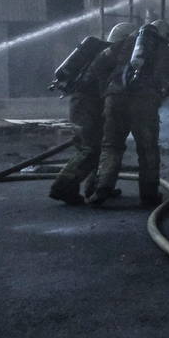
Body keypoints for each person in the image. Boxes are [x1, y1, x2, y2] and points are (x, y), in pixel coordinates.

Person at [88, 19, 169, 207]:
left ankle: (102, 189)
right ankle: (148, 196)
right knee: (147, 149)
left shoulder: (123, 45)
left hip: (114, 99)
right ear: (165, 35)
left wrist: (107, 89)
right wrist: (159, 95)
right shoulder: (168, 53)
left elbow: (98, 65)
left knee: (111, 146)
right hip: (145, 103)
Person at [47, 23, 136, 205]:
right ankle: (63, 187)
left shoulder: (105, 53)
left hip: (88, 106)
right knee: (91, 148)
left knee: (101, 146)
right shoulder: (110, 56)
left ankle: (95, 187)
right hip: (87, 107)